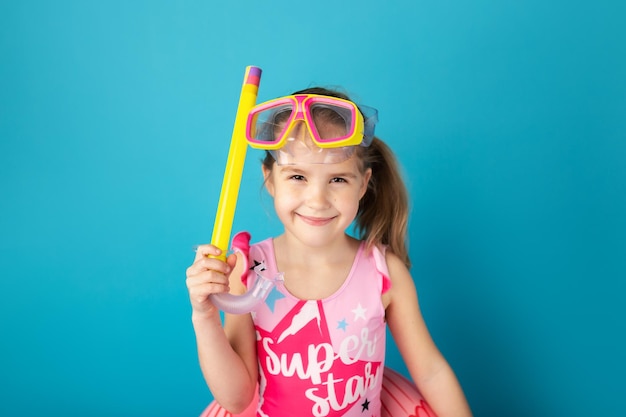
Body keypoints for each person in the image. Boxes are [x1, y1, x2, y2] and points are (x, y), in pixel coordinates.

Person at [186, 87, 472, 417]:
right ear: (270, 179)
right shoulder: (247, 271)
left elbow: (431, 372)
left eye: (337, 179)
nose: (318, 200)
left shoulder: (384, 273)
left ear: (363, 184)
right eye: (297, 176)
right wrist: (204, 315)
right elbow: (237, 399)